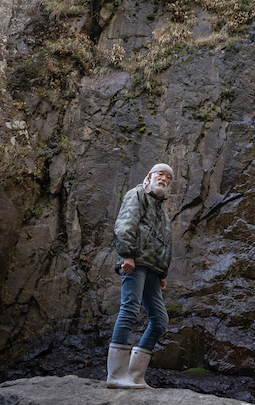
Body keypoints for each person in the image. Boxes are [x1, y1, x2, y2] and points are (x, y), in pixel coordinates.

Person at [106, 163, 174, 389]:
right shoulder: (137, 194)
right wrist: (127, 255)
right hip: (135, 264)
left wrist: (162, 272)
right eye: (160, 174)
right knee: (129, 309)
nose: (163, 179)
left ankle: (135, 376)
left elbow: (163, 244)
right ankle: (116, 375)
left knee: (160, 320)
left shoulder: (162, 213)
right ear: (150, 176)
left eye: (168, 177)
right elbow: (126, 224)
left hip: (153, 270)